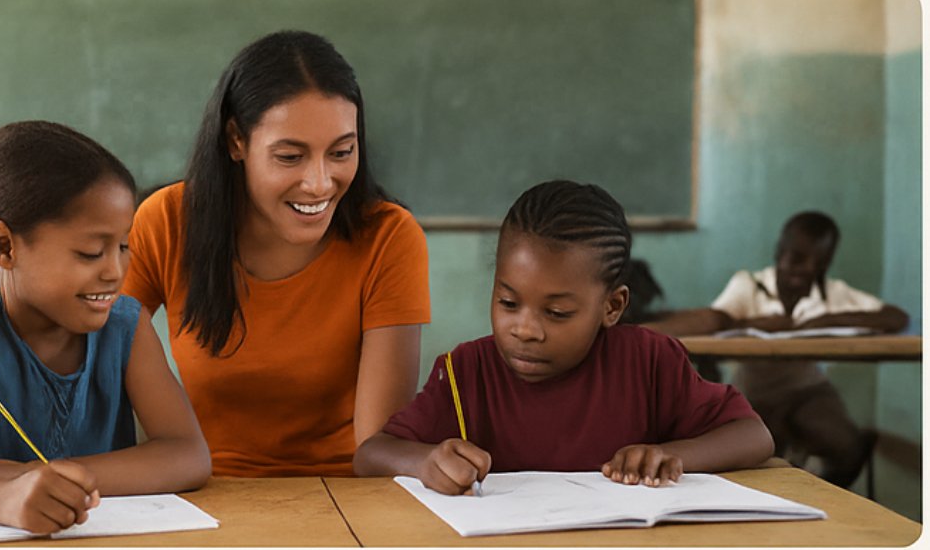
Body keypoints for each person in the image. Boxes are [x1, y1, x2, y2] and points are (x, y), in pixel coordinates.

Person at [0, 121, 210, 534]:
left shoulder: (127, 326)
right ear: (5, 247)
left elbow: (189, 455)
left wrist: (42, 477)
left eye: (123, 246)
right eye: (90, 252)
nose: (115, 270)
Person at [123, 30, 431, 477]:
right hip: (204, 492)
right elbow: (93, 356)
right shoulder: (165, 223)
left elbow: (377, 449)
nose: (321, 183)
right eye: (290, 157)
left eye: (342, 152)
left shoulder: (389, 238)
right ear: (236, 141)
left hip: (349, 495)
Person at [353, 180, 773, 495]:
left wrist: (676, 456)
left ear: (612, 307)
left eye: (556, 313)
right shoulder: (466, 372)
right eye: (508, 302)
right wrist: (424, 461)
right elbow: (371, 454)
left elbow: (754, 437)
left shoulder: (648, 361)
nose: (525, 330)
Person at [648, 211, 907, 487]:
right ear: (779, 251)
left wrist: (823, 321)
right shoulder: (750, 286)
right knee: (747, 455)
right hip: (752, 393)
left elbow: (894, 317)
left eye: (818, 262)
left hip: (809, 392)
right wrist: (761, 324)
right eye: (796, 257)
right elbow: (717, 320)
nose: (805, 268)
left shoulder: (831, 292)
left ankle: (816, 496)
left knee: (846, 446)